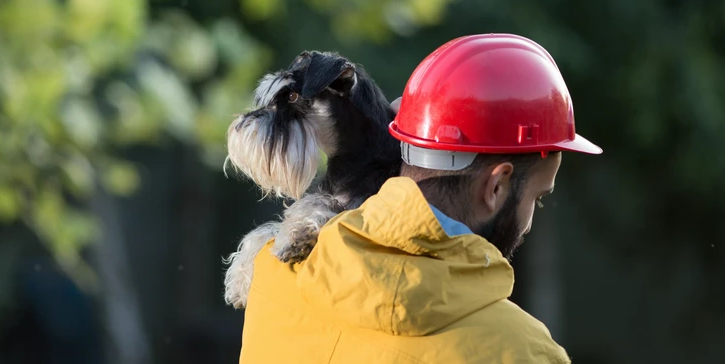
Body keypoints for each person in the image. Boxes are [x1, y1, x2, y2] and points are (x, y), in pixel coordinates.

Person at [240, 34, 602, 363]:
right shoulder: (525, 352)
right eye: (537, 199)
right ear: (496, 187)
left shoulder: (268, 279)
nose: (530, 219)